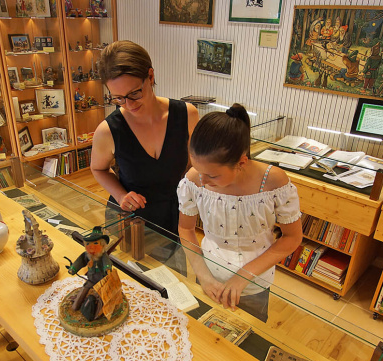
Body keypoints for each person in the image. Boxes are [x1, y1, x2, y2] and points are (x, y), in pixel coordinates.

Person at [177, 104, 303, 322]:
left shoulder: (274, 182)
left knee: (250, 341)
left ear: (241, 163)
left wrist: (244, 276)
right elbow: (185, 228)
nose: (203, 181)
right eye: (199, 170)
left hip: (255, 285)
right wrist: (203, 276)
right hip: (208, 277)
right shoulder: (194, 179)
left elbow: (292, 237)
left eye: (212, 176)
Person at [93, 41, 198, 238]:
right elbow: (98, 169)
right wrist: (121, 195)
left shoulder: (187, 115)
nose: (128, 104)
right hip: (129, 221)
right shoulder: (108, 131)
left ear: (150, 76)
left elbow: (196, 165)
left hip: (175, 215)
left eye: (134, 93)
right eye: (118, 98)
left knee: (173, 269)